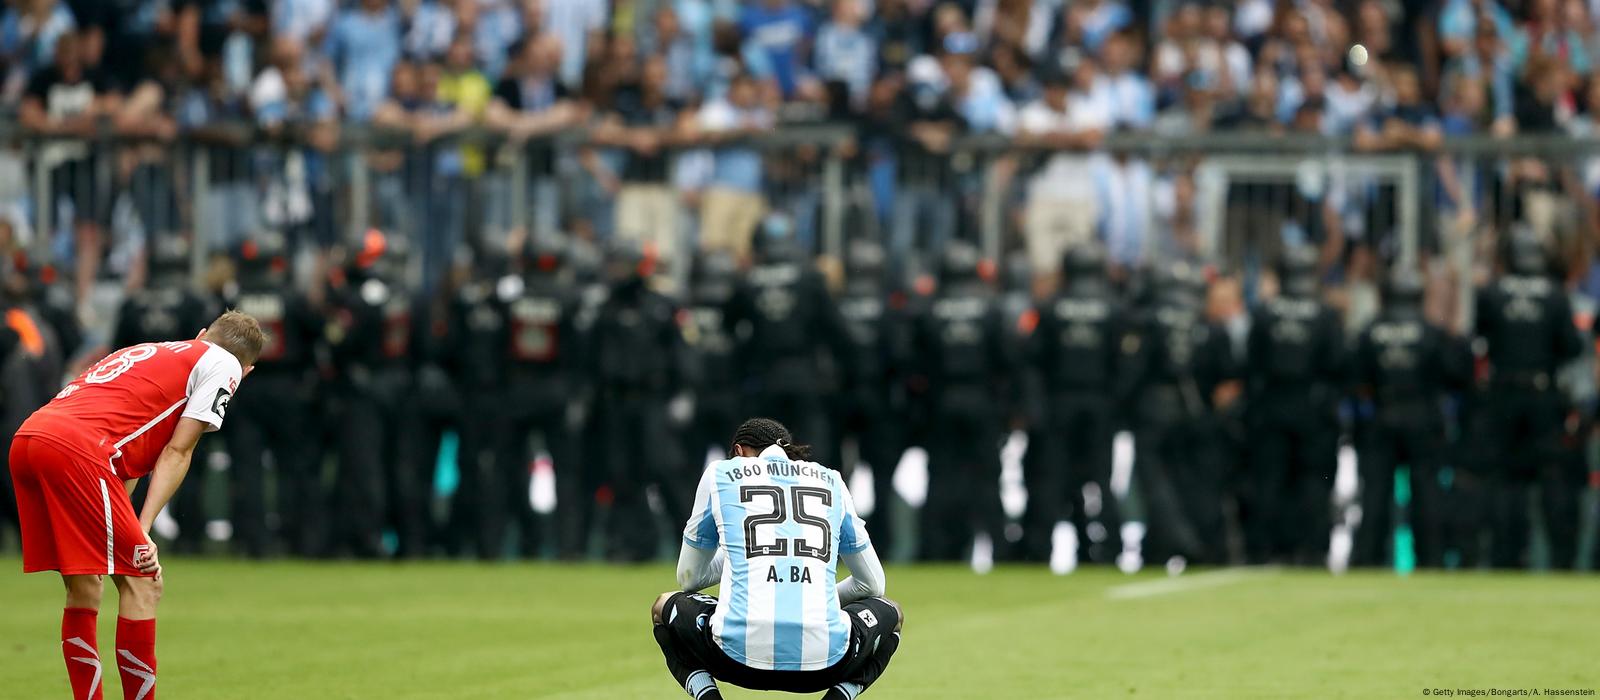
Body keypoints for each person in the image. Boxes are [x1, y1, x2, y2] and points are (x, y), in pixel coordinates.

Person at [9, 310, 264, 700]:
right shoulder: (224, 363)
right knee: (143, 582)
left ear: (199, 333)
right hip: (78, 451)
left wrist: (129, 533)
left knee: (86, 584)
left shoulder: (152, 350)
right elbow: (179, 451)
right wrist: (143, 532)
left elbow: (122, 464)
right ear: (246, 373)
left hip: (31, 439)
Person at [652, 417, 902, 700]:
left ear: (738, 451)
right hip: (825, 663)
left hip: (734, 658)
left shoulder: (719, 474)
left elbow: (689, 578)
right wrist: (815, 600)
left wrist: (741, 553)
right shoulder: (833, 480)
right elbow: (872, 584)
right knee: (892, 611)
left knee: (663, 606)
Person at [1471, 226, 1583, 568]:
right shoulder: (1555, 294)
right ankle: (1561, 560)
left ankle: (1506, 557)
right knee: (1552, 476)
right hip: (1542, 394)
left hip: (1503, 394)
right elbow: (1572, 346)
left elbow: (1479, 340)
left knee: (1505, 479)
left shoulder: (1491, 293)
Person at [1351, 269, 1470, 568]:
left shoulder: (1371, 331)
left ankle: (1368, 561)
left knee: (1375, 494)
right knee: (1427, 494)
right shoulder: (1431, 332)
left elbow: (1354, 377)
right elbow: (1455, 375)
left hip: (1381, 415)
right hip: (1423, 417)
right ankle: (1430, 561)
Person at [1024, 243, 1128, 568]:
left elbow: (1033, 361)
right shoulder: (1114, 307)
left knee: (1053, 477)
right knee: (1101, 477)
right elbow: (1123, 363)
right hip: (1100, 403)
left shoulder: (1051, 307)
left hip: (1060, 402)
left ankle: (1040, 549)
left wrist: (1037, 406)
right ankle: (1109, 548)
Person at [222, 233, 325, 558]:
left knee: (247, 468)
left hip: (244, 385)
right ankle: (296, 538)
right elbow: (317, 335)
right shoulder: (291, 297)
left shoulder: (235, 299)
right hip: (288, 388)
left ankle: (254, 542)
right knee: (292, 466)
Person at [912, 240, 1012, 562]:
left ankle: (936, 549)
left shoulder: (928, 310)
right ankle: (1000, 549)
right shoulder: (991, 308)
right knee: (987, 478)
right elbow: (1008, 361)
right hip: (982, 401)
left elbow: (914, 363)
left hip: (942, 401)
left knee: (941, 478)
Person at [1246, 246, 1345, 565]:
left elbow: (1252, 362)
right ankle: (1314, 549)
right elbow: (1339, 364)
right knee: (1315, 480)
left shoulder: (1265, 312)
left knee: (1270, 480)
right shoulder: (1326, 314)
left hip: (1272, 406)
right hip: (1313, 408)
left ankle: (1268, 549)